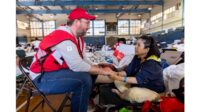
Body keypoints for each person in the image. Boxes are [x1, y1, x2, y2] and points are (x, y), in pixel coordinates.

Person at [29, 8, 110, 112]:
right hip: (41, 77)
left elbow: (83, 60)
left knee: (91, 73)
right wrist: (102, 71)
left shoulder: (78, 38)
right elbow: (76, 65)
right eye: (87, 23)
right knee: (83, 80)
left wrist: (96, 66)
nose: (88, 27)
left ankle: (85, 99)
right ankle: (82, 102)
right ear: (77, 22)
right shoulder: (63, 37)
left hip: (52, 71)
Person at [100, 35, 165, 105]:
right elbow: (127, 72)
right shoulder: (137, 57)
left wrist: (117, 77)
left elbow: (137, 80)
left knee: (133, 92)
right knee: (117, 81)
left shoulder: (153, 63)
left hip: (153, 91)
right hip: (139, 86)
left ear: (147, 49)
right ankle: (126, 94)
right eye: (135, 44)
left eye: (139, 45)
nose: (135, 46)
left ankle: (123, 95)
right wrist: (114, 73)